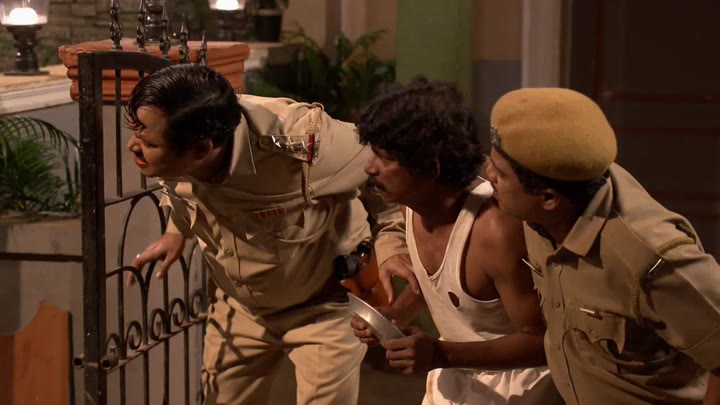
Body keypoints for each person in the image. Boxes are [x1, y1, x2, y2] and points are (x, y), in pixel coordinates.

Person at [126, 63, 411, 405]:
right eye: (135, 133)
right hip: (241, 308)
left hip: (323, 308)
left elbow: (384, 169)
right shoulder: (184, 136)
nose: (132, 147)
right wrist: (177, 231)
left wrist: (392, 241)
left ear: (202, 149)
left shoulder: (303, 142)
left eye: (147, 143)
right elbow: (184, 188)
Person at [484, 87, 720, 404]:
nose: (488, 176)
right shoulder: (546, 199)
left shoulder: (649, 257)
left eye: (500, 174)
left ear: (549, 199)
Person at [350, 78, 562, 404]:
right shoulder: (412, 206)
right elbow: (443, 288)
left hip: (517, 389)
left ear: (430, 167)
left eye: (385, 159)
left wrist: (440, 354)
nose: (370, 168)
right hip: (453, 380)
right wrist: (395, 316)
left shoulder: (495, 229)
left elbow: (543, 342)